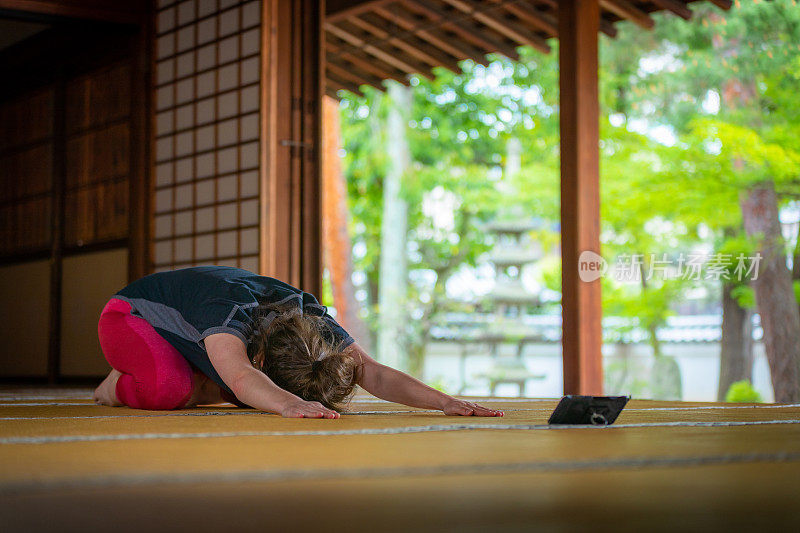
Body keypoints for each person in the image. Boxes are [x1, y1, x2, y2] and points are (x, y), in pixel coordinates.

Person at [93, 265, 503, 419]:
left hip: (208, 341)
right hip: (128, 318)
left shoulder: (312, 320)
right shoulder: (227, 316)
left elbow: (371, 372)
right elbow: (239, 375)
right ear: (258, 355)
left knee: (253, 395)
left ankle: (195, 375)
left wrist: (444, 401)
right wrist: (288, 402)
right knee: (171, 389)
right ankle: (115, 384)